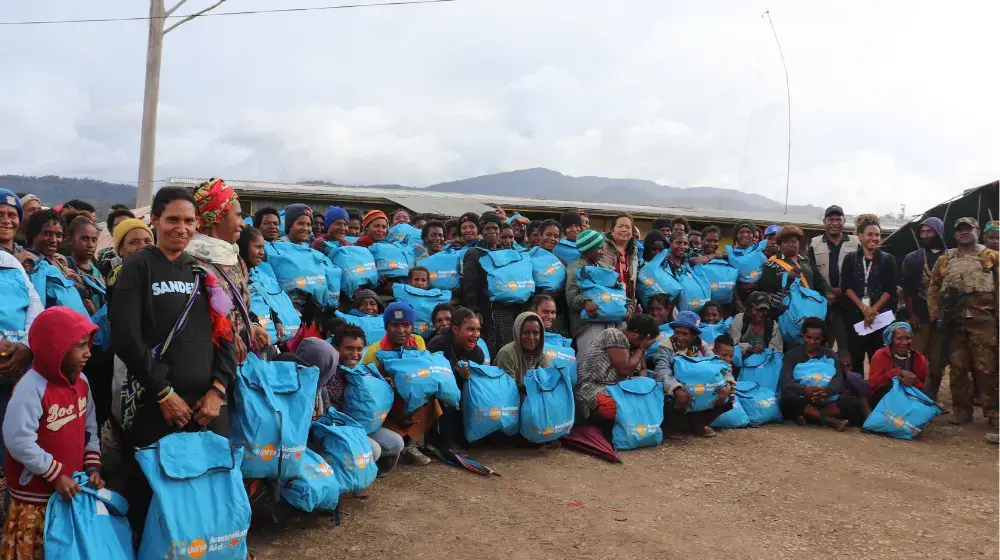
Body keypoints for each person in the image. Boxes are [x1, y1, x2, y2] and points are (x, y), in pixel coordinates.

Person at [110, 186, 236, 533]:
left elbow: (225, 336)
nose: (182, 228)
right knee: (154, 495)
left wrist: (219, 389)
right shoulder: (136, 268)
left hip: (208, 406)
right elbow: (126, 337)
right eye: (173, 220)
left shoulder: (202, 274)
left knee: (211, 486)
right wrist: (163, 393)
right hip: (157, 403)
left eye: (189, 221)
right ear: (154, 221)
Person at [1, 307, 102, 559]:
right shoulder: (30, 388)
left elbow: (90, 429)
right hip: (34, 500)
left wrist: (93, 467)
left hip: (69, 495)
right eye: (79, 346)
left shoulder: (82, 383)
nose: (88, 352)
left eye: (87, 344)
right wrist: (54, 473)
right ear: (56, 348)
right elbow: (18, 440)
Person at [299, 329, 404, 475]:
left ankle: (366, 472)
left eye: (359, 349)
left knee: (396, 442)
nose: (355, 354)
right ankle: (340, 477)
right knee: (373, 450)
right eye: (349, 348)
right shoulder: (327, 370)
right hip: (337, 429)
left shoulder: (361, 370)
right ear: (336, 348)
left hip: (359, 425)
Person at [928, 217, 998, 428]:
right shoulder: (946, 259)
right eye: (960, 230)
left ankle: (994, 411)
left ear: (977, 232)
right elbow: (934, 288)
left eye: (968, 229)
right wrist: (934, 316)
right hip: (954, 322)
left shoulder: (991, 256)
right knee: (957, 368)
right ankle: (961, 409)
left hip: (983, 322)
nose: (964, 233)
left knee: (986, 368)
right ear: (955, 234)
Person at [188, 178, 263, 365]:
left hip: (238, 360)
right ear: (217, 216)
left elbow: (238, 309)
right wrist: (227, 336)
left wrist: (251, 327)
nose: (242, 223)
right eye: (237, 215)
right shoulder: (190, 262)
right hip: (208, 362)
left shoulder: (235, 258)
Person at [361, 302, 438, 466]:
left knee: (434, 395)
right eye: (395, 325)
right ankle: (403, 443)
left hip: (412, 398)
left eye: (406, 325)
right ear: (386, 326)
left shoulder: (418, 342)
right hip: (388, 403)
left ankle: (413, 443)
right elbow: (371, 392)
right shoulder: (374, 353)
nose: (401, 330)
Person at [653, 310, 732, 438]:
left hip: (699, 390)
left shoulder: (702, 346)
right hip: (678, 391)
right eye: (677, 332)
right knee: (675, 399)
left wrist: (727, 385)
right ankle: (674, 427)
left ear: (694, 336)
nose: (679, 336)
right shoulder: (666, 346)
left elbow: (719, 366)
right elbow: (661, 370)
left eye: (685, 334)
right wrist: (676, 388)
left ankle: (698, 424)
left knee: (728, 396)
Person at [779, 317, 867, 430]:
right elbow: (786, 382)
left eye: (817, 339)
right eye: (808, 337)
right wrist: (805, 390)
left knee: (853, 403)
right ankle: (828, 420)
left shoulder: (830, 354)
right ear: (802, 335)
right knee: (788, 402)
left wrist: (826, 391)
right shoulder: (792, 355)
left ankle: (811, 416)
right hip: (803, 398)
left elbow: (838, 380)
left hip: (827, 400)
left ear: (822, 339)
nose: (811, 342)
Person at [575, 314, 658, 423]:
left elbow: (643, 370)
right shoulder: (614, 334)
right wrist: (641, 349)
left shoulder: (634, 345)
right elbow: (625, 369)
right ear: (636, 333)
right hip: (594, 386)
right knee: (612, 409)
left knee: (650, 399)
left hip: (618, 388)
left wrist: (640, 388)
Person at [841, 215, 897, 374]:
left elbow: (890, 290)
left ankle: (877, 395)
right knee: (856, 358)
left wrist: (872, 310)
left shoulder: (888, 260)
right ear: (860, 236)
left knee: (879, 359)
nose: (874, 238)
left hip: (880, 319)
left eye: (877, 235)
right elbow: (846, 287)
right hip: (856, 317)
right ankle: (858, 396)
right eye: (870, 234)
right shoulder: (850, 259)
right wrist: (863, 308)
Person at [461, 213, 521, 356]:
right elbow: (470, 285)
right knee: (488, 346)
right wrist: (475, 310)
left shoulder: (506, 253)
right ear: (481, 231)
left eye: (495, 228)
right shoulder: (474, 253)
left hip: (506, 310)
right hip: (485, 309)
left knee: (507, 346)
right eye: (487, 228)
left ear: (500, 230)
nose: (491, 232)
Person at [900, 217, 946, 401]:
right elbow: (908, 289)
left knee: (938, 361)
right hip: (919, 317)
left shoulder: (950, 257)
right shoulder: (913, 258)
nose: (925, 235)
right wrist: (911, 315)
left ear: (939, 232)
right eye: (922, 231)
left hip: (943, 320)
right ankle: (912, 395)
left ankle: (931, 396)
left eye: (929, 231)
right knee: (915, 358)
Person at [426, 307, 483, 452]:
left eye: (477, 330)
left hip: (462, 394)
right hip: (437, 395)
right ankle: (441, 440)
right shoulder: (437, 344)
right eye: (470, 329)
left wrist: (467, 378)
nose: (475, 335)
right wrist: (455, 371)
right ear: (456, 329)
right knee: (448, 393)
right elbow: (429, 376)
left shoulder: (477, 352)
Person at [807, 205, 859, 358]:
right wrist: (827, 291)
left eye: (838, 219)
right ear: (824, 221)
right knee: (822, 343)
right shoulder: (814, 243)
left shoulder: (856, 242)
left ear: (844, 221)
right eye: (831, 219)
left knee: (849, 344)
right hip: (824, 301)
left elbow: (861, 271)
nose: (834, 223)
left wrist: (844, 290)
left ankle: (849, 378)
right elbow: (812, 273)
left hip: (850, 301)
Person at [759, 225, 831, 327]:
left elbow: (819, 280)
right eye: (786, 242)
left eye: (793, 241)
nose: (790, 244)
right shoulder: (772, 262)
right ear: (779, 245)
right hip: (785, 312)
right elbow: (766, 285)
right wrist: (788, 276)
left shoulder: (806, 261)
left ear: (799, 243)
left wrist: (828, 293)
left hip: (808, 309)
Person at [25, 210, 93, 312]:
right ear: (33, 234)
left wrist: (76, 280)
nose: (53, 240)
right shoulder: (29, 263)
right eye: (47, 233)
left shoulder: (61, 262)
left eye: (59, 235)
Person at [566, 229, 622, 354]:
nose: (601, 251)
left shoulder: (607, 268)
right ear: (587, 249)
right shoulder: (575, 269)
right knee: (589, 365)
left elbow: (618, 291)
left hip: (611, 323)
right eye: (598, 248)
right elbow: (571, 296)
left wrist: (628, 305)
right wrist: (585, 301)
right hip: (588, 325)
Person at [867, 322, 927, 408]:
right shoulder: (880, 355)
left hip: (909, 398)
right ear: (891, 339)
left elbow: (921, 383)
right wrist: (899, 372)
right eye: (899, 338)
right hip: (883, 400)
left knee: (927, 395)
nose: (905, 342)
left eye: (908, 338)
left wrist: (914, 382)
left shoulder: (919, 358)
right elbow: (874, 384)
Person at [496, 311, 552, 392]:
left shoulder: (543, 356)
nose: (531, 337)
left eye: (536, 333)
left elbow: (548, 386)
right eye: (526, 333)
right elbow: (508, 389)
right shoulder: (507, 354)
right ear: (518, 333)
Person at [65, 215, 107, 314]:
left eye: (94, 240)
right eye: (84, 239)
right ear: (70, 240)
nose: (90, 245)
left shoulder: (96, 268)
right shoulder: (67, 269)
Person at [95, 208, 136, 277]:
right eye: (118, 226)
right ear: (111, 231)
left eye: (127, 224)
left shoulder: (146, 254)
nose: (123, 228)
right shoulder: (105, 258)